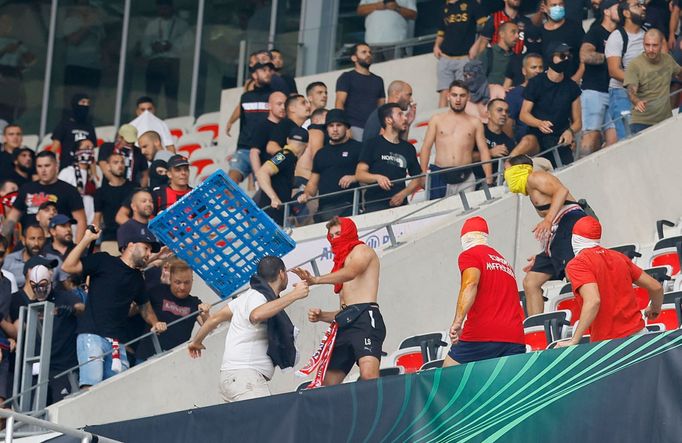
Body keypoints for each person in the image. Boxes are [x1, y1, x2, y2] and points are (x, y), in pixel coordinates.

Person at [188, 256, 308, 403]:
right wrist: (294, 295)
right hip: (245, 377)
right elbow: (256, 315)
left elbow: (214, 319)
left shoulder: (245, 298)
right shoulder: (258, 296)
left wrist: (196, 341)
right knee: (267, 423)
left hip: (233, 378)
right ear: (282, 274)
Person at [62, 225, 167, 388]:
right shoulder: (104, 260)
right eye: (146, 248)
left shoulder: (137, 278)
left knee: (116, 392)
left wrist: (155, 323)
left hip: (117, 342)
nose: (149, 254)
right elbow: (67, 267)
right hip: (92, 334)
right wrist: (86, 239)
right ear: (131, 245)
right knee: (90, 388)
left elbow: (145, 307)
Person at [293, 216, 385, 385]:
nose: (334, 239)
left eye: (338, 233)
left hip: (366, 319)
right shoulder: (340, 263)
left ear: (349, 231)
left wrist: (316, 280)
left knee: (369, 375)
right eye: (331, 236)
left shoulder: (362, 250)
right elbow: (348, 311)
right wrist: (322, 316)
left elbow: (351, 272)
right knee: (327, 384)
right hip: (345, 325)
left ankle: (377, 410)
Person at [557, 216, 664, 346]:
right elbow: (656, 287)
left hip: (609, 344)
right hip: (639, 336)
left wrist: (574, 340)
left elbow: (593, 301)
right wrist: (655, 308)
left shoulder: (578, 264)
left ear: (575, 238)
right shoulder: (619, 257)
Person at [504, 155, 587, 316]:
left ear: (517, 169)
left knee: (572, 273)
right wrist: (549, 251)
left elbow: (562, 191)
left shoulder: (535, 177)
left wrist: (548, 220)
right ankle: (538, 327)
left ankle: (589, 315)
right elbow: (553, 224)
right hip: (558, 232)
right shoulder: (531, 190)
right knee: (530, 282)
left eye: (507, 171)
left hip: (571, 222)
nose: (505, 177)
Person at [444, 216, 525, 366]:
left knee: (447, 377)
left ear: (464, 237)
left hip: (483, 333)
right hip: (515, 336)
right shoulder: (503, 261)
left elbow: (470, 284)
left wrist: (457, 321)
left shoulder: (470, 255)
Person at [9, 256, 84, 404]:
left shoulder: (64, 297)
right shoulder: (29, 306)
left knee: (62, 407)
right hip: (37, 368)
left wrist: (70, 309)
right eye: (35, 286)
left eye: (43, 285)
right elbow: (19, 329)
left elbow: (81, 307)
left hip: (62, 367)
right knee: (31, 408)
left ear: (50, 281)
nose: (40, 290)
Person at [419, 81, 493, 200]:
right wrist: (422, 173)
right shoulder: (437, 120)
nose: (458, 99)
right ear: (448, 96)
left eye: (462, 95)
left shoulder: (475, 122)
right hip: (440, 174)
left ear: (468, 97)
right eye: (454, 95)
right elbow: (426, 147)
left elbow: (484, 150)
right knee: (438, 213)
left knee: (468, 211)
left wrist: (489, 176)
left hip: (466, 174)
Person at [519, 42, 582, 166]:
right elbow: (524, 114)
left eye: (568, 56)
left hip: (560, 140)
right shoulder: (536, 82)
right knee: (527, 142)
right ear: (551, 57)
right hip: (537, 136)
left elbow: (578, 122)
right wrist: (539, 123)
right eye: (562, 56)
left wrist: (570, 131)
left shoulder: (572, 87)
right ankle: (503, 172)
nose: (566, 59)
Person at [3, 151, 86, 243]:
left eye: (47, 166)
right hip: (28, 244)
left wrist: (79, 249)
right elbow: (12, 218)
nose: (43, 170)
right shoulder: (26, 188)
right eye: (39, 166)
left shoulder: (69, 190)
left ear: (56, 165)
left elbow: (81, 221)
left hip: (58, 245)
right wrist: (2, 242)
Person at [136, 259, 209, 361]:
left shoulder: (194, 302)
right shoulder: (157, 291)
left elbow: (210, 328)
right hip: (146, 356)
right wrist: (155, 323)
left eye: (187, 282)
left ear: (192, 281)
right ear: (170, 279)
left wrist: (206, 314)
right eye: (178, 282)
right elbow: (137, 308)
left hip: (176, 359)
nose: (182, 287)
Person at [298, 109, 362, 223]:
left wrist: (354, 177)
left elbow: (369, 173)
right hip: (324, 211)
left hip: (350, 208)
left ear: (346, 127)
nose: (335, 129)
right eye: (331, 125)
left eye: (339, 125)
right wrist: (307, 194)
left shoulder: (358, 148)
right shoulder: (321, 153)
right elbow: (313, 182)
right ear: (326, 129)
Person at [356, 103, 421, 213]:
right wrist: (377, 178)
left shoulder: (408, 148)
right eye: (400, 115)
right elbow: (359, 174)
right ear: (388, 120)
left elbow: (418, 177)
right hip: (374, 205)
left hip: (400, 206)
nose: (405, 117)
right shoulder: (372, 144)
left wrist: (403, 194)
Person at [579, 0, 620, 155]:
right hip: (594, 90)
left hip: (614, 91)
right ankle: (582, 172)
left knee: (614, 139)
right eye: (617, 8)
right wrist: (610, 57)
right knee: (591, 135)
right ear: (606, 11)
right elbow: (585, 54)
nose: (621, 11)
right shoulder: (596, 31)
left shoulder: (620, 34)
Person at [228, 57, 277, 184]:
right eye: (263, 70)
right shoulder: (245, 97)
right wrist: (230, 122)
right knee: (230, 183)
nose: (268, 73)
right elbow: (243, 121)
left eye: (269, 70)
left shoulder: (274, 96)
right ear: (254, 75)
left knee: (262, 187)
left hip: (265, 150)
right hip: (244, 148)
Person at [624, 29, 682, 133]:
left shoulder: (668, 60)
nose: (650, 49)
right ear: (643, 44)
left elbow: (679, 73)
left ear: (661, 45)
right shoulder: (635, 64)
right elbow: (631, 89)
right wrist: (636, 101)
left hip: (665, 120)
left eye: (654, 45)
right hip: (641, 122)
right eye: (647, 45)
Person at [141, 0, 190, 117]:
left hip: (172, 63)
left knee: (171, 96)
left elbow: (189, 44)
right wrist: (153, 48)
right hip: (155, 62)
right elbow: (144, 48)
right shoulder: (152, 25)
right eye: (160, 8)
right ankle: (149, 120)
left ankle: (172, 120)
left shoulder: (182, 25)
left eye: (165, 8)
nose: (163, 10)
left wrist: (172, 46)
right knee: (152, 95)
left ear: (171, 8)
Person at [606, 0, 646, 140]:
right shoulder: (616, 37)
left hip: (646, 92)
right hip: (621, 93)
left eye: (642, 5)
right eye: (637, 6)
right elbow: (613, 71)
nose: (643, 8)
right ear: (626, 13)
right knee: (629, 140)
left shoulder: (647, 34)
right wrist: (639, 80)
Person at [433, 0, 485, 107]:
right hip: (445, 57)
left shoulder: (471, 3)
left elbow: (486, 27)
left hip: (464, 58)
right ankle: (443, 123)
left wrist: (476, 46)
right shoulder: (443, 7)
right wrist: (436, 46)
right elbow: (441, 32)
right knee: (444, 93)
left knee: (463, 93)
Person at [255, 127, 309, 226]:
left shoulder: (289, 158)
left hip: (274, 218)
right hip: (269, 218)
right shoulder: (284, 155)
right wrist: (273, 198)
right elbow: (262, 173)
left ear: (288, 140)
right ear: (306, 145)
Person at [335, 43, 386, 141]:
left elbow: (381, 108)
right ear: (354, 58)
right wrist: (344, 126)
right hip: (353, 126)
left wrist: (383, 127)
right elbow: (339, 102)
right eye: (364, 52)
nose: (368, 55)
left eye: (369, 52)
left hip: (374, 129)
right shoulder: (346, 77)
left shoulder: (378, 80)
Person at [61, 1, 103, 109]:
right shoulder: (72, 20)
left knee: (90, 100)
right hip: (76, 66)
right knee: (72, 100)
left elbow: (101, 41)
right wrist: (88, 24)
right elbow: (74, 40)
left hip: (93, 67)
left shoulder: (97, 22)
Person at [93, 151, 135, 255]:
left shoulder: (133, 188)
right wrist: (91, 242)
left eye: (122, 162)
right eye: (115, 162)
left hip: (132, 239)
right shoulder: (100, 192)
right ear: (108, 166)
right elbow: (97, 219)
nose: (120, 165)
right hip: (109, 239)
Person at [471, 0, 538, 59]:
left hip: (518, 61)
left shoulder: (526, 21)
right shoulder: (494, 18)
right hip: (497, 61)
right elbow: (483, 42)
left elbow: (532, 43)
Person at [2, 224, 61, 289]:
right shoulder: (9, 260)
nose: (36, 243)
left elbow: (66, 286)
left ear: (44, 240)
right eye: (32, 238)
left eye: (40, 239)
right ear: (24, 240)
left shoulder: (54, 261)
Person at [539, 0, 585, 81]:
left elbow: (584, 56)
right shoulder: (540, 32)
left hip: (572, 81)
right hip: (547, 85)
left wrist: (577, 78)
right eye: (554, 5)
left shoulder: (574, 27)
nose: (558, 7)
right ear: (545, 8)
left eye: (560, 4)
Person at [50, 93, 97, 170]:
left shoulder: (90, 127)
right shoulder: (64, 124)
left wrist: (93, 170)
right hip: (66, 168)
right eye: (83, 102)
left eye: (87, 103)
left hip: (84, 169)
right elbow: (55, 147)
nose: (85, 105)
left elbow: (91, 152)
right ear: (75, 103)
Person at [57, 138, 99, 224]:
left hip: (92, 224)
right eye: (87, 147)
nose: (90, 151)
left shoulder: (96, 174)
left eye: (92, 148)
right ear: (76, 152)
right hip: (72, 223)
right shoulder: (67, 172)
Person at [506, 53, 544, 144]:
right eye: (533, 67)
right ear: (524, 71)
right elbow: (508, 123)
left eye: (540, 67)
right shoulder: (514, 94)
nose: (538, 71)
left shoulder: (549, 91)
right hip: (524, 143)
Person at [249, 91, 287, 174]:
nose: (283, 107)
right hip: (269, 174)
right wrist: (259, 176)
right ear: (269, 106)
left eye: (285, 104)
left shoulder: (287, 126)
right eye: (279, 104)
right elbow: (254, 152)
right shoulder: (262, 127)